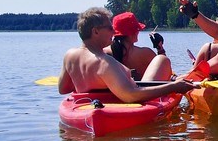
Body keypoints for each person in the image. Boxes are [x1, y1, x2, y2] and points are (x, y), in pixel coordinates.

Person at [58, 7, 192, 102]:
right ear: (96, 31)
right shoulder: (104, 62)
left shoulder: (69, 56)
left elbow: (63, 89)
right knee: (162, 60)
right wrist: (174, 87)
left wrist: (88, 81)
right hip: (120, 104)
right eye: (110, 28)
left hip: (91, 104)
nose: (113, 31)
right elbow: (130, 96)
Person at [104, 12, 173, 81]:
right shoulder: (145, 53)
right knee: (162, 59)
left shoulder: (103, 53)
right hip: (142, 90)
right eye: (137, 30)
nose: (138, 32)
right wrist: (160, 48)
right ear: (132, 33)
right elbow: (167, 72)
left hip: (116, 90)